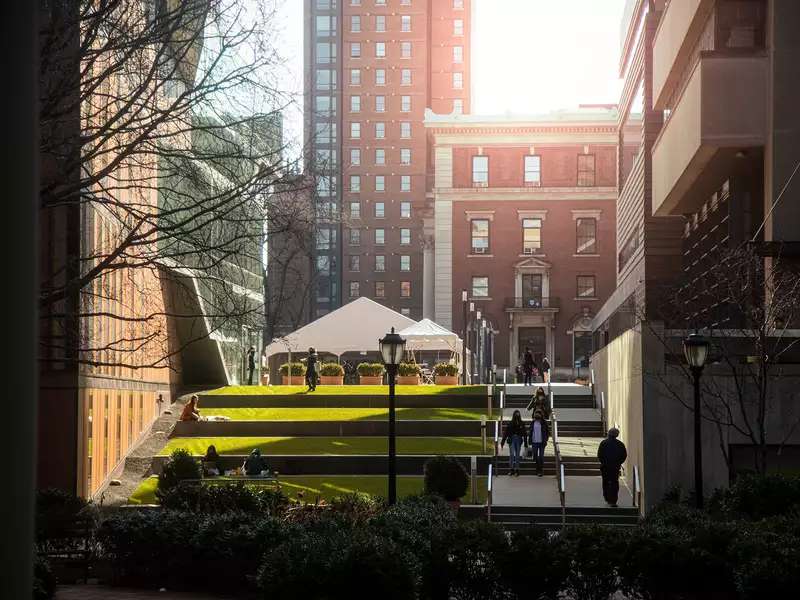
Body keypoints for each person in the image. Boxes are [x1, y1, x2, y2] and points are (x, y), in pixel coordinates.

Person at [597, 427, 628, 507]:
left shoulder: (603, 443)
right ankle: (613, 500)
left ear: (609, 434)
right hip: (615, 466)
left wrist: (603, 462)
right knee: (614, 482)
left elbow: (599, 455)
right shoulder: (620, 444)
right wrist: (619, 463)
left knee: (605, 482)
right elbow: (624, 455)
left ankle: (607, 497)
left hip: (605, 466)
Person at [500, 410, 527, 476]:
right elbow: (506, 433)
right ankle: (511, 469)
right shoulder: (510, 423)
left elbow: (525, 433)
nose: (517, 415)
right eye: (516, 414)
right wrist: (503, 442)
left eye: (518, 414)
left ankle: (517, 470)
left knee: (517, 455)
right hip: (511, 439)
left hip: (518, 439)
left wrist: (526, 443)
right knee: (512, 454)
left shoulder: (521, 423)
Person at [528, 410, 550, 477]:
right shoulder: (532, 422)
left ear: (541, 415)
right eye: (536, 414)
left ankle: (540, 470)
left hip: (541, 442)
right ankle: (538, 468)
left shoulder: (544, 422)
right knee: (535, 455)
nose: (537, 415)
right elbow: (530, 432)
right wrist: (529, 440)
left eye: (538, 414)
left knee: (541, 456)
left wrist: (546, 439)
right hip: (534, 442)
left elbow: (547, 432)